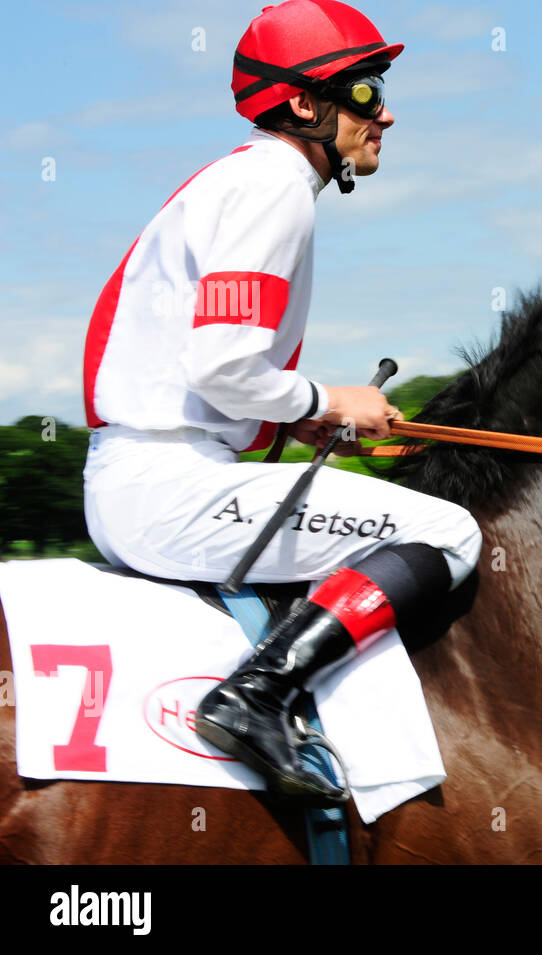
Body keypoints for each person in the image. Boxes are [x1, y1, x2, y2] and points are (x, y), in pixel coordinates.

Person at [80, 0, 482, 805]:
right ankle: (254, 696)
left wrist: (305, 416)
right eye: (365, 92)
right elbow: (226, 364)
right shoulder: (274, 187)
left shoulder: (246, 180)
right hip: (166, 487)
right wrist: (334, 400)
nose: (386, 112)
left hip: (157, 472)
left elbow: (212, 376)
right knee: (451, 531)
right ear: (305, 104)